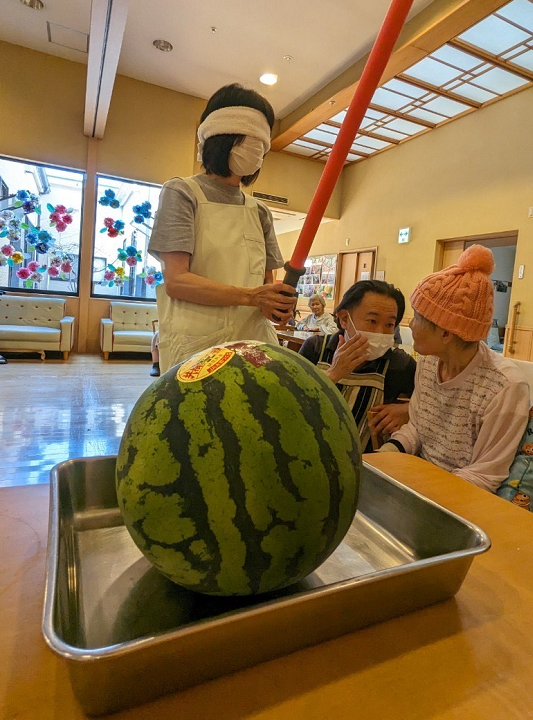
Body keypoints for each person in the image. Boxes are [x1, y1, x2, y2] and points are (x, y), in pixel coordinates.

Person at [149, 84, 295, 372]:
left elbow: (267, 284)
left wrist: (277, 305)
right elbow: (177, 281)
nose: (256, 149)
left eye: (261, 143)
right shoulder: (182, 193)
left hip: (253, 344)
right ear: (220, 138)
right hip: (196, 347)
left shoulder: (259, 211)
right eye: (246, 139)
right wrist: (251, 297)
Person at [379, 246, 530, 494]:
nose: (410, 324)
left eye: (417, 317)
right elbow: (417, 427)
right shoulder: (428, 362)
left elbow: (483, 475)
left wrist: (425, 493)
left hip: (463, 496)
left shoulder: (504, 386)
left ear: (446, 332)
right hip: (421, 480)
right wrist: (390, 452)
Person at [299, 280, 416, 451]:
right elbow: (289, 402)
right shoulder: (316, 349)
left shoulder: (399, 364)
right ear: (344, 319)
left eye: (389, 325)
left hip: (363, 464)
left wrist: (408, 409)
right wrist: (333, 373)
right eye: (372, 321)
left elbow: (434, 405)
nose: (380, 332)